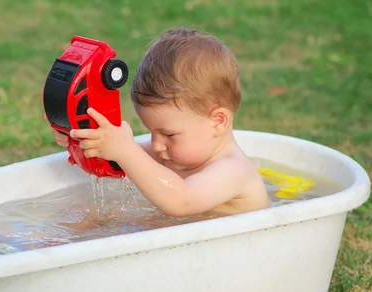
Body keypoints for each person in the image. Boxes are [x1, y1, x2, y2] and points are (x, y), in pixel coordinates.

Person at [52, 27, 271, 217]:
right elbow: (117, 163)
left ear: (218, 122)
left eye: (169, 135)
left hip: (245, 254)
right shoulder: (175, 154)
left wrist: (126, 151)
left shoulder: (233, 170)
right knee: (92, 218)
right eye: (151, 132)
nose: (156, 145)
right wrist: (81, 138)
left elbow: (181, 201)